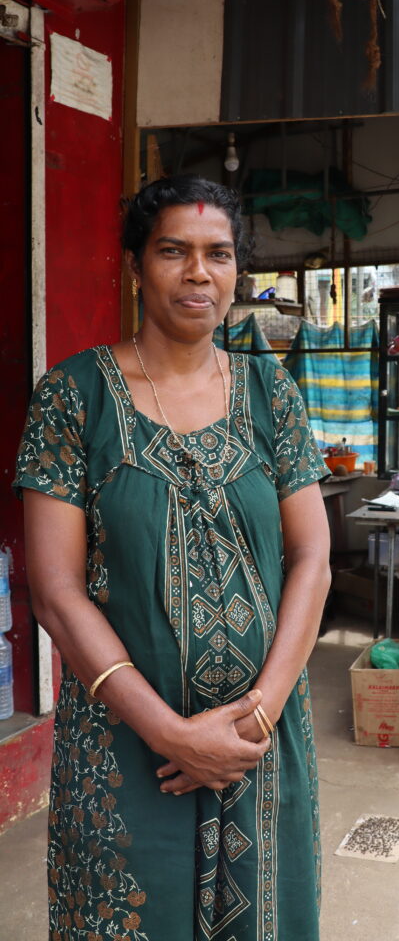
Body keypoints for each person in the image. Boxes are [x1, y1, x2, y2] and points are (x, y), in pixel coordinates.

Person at [14, 175, 331, 941]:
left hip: (262, 746)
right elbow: (55, 591)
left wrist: (256, 715)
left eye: (217, 254)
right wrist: (171, 734)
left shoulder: (271, 392)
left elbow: (312, 558)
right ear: (135, 266)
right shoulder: (74, 397)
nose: (198, 273)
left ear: (236, 272)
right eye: (172, 251)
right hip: (126, 752)